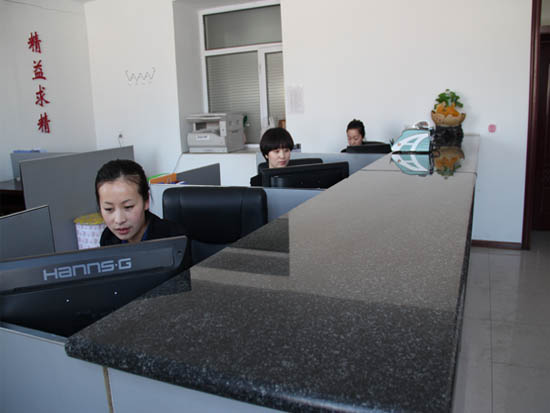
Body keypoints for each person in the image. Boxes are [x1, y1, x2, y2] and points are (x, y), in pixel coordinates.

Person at [95, 159, 188, 246]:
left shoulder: (174, 238)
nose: (119, 220)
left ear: (146, 201)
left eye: (128, 207)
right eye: (109, 209)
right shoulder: (108, 238)